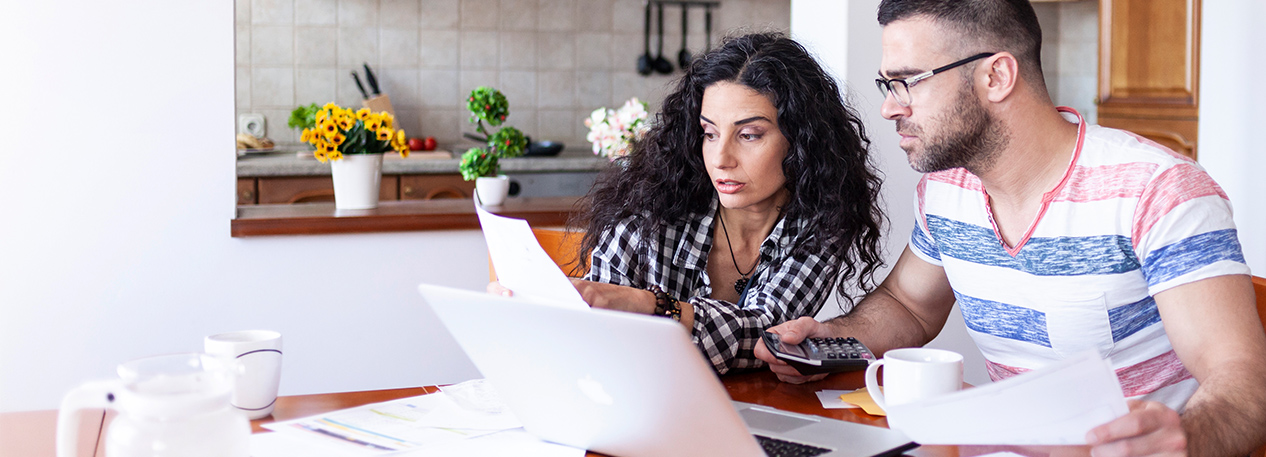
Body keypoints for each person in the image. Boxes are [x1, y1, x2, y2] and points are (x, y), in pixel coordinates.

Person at [753, 1, 1266, 455]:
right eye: (888, 85)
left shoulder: (1160, 190)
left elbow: (1244, 382)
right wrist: (833, 336)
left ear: (997, 76)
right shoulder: (947, 190)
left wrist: (1186, 440)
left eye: (908, 82)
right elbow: (908, 306)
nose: (890, 107)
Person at [490, 32, 886, 374]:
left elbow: (768, 337)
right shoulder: (648, 211)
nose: (720, 158)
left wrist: (651, 307)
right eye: (709, 133)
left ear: (801, 141)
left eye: (748, 135)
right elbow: (602, 338)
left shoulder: (821, 223)